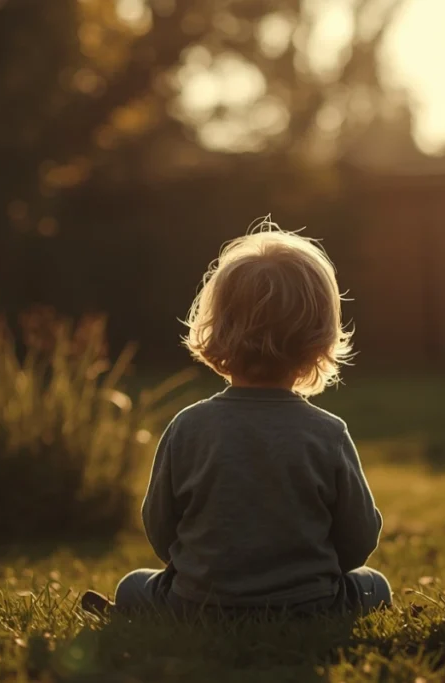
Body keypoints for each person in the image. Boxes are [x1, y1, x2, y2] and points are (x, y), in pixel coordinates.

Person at [81, 221, 390, 617]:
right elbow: (358, 540)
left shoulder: (187, 427)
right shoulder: (328, 434)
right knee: (374, 584)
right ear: (319, 341)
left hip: (197, 604)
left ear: (216, 331)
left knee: (132, 586)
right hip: (308, 607)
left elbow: (160, 528)